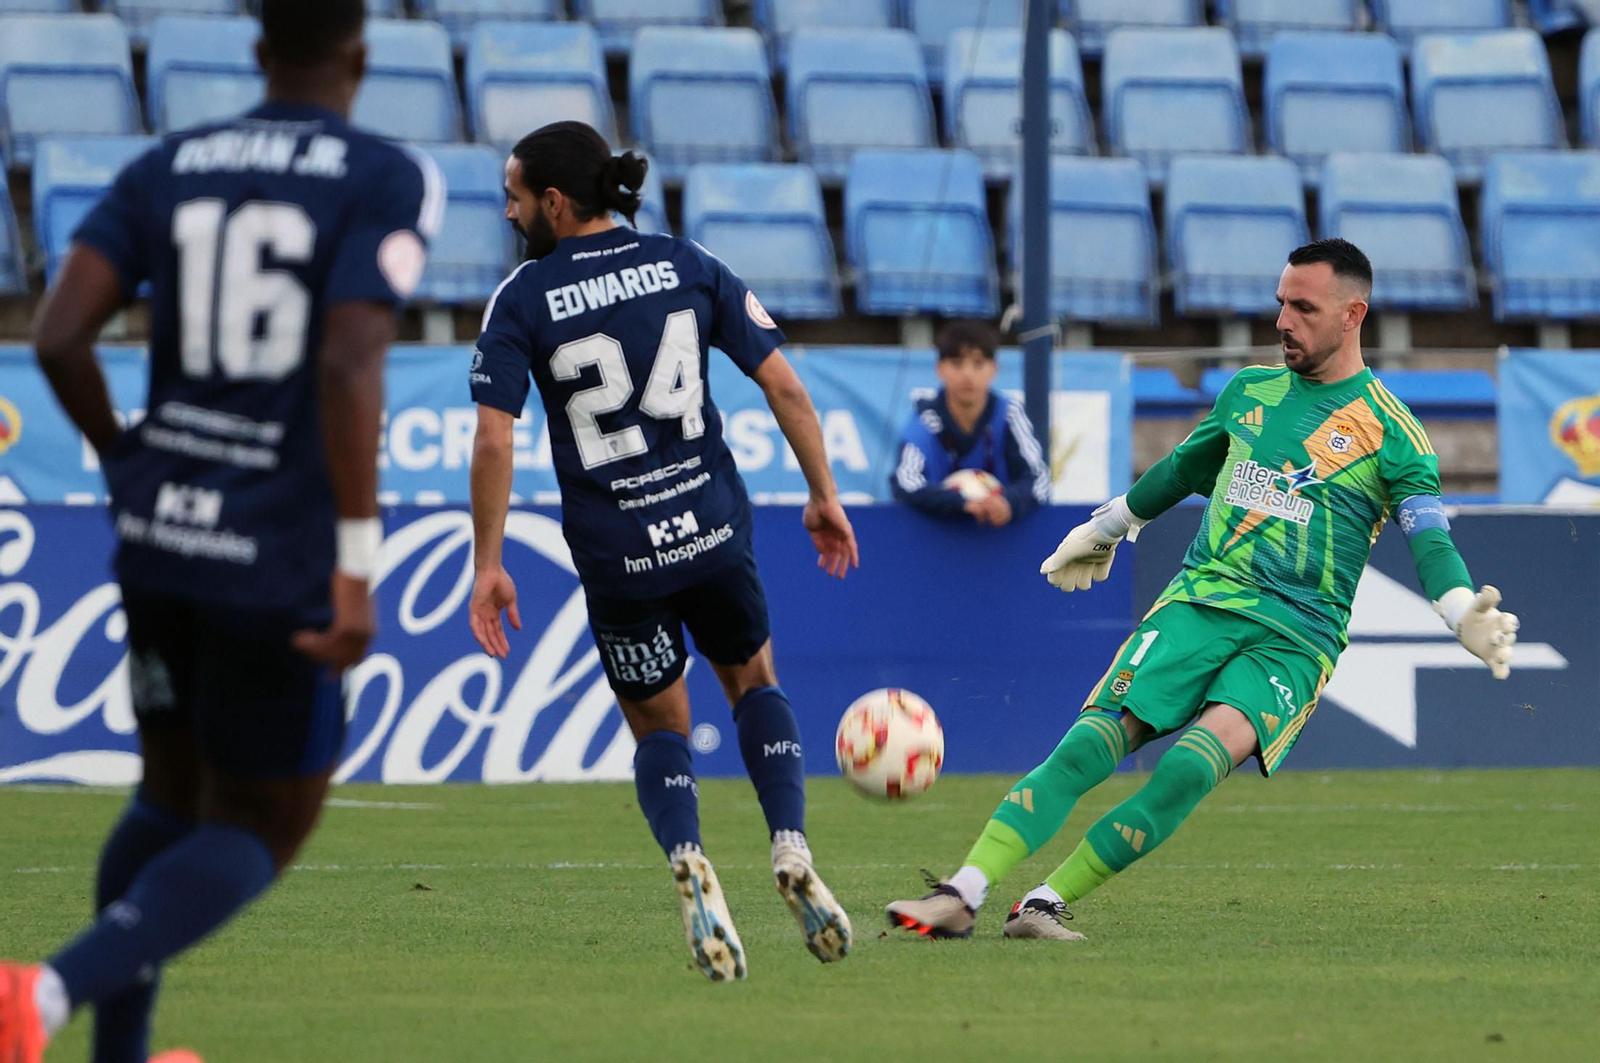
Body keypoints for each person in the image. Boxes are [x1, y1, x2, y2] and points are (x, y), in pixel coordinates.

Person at [0, 1, 442, 1059]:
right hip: (274, 555)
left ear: (258, 52)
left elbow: (59, 332)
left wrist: (120, 457)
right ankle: (43, 998)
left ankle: (121, 1050)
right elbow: (346, 362)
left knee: (169, 797)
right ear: (361, 57)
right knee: (259, 824)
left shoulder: (173, 161)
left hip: (160, 540)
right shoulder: (385, 175)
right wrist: (354, 565)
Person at [886, 239, 1520, 941]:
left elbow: (1428, 539)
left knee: (1190, 766)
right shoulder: (1249, 391)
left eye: (1303, 307)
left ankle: (1043, 901)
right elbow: (1184, 469)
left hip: (1296, 638)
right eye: (1280, 302)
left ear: (1353, 314)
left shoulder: (1393, 432)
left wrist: (1461, 609)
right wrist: (1108, 526)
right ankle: (961, 891)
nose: (1284, 319)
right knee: (1089, 744)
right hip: (1200, 602)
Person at [466, 121, 859, 982]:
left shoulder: (522, 297)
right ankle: (789, 841)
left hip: (618, 556)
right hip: (712, 531)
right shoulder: (686, 261)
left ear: (556, 203)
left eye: (517, 196)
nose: (508, 210)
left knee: (660, 726)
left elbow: (495, 441)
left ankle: (688, 853)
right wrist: (823, 494)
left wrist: (487, 561)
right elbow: (785, 382)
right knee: (754, 681)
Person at [891, 320, 1050, 526]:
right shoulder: (925, 419)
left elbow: (1040, 480)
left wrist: (1007, 501)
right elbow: (905, 482)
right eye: (957, 363)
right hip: (939, 537)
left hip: (1002, 537)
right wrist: (961, 503)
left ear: (994, 369)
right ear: (940, 369)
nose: (968, 374)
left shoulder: (1009, 414)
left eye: (978, 363)